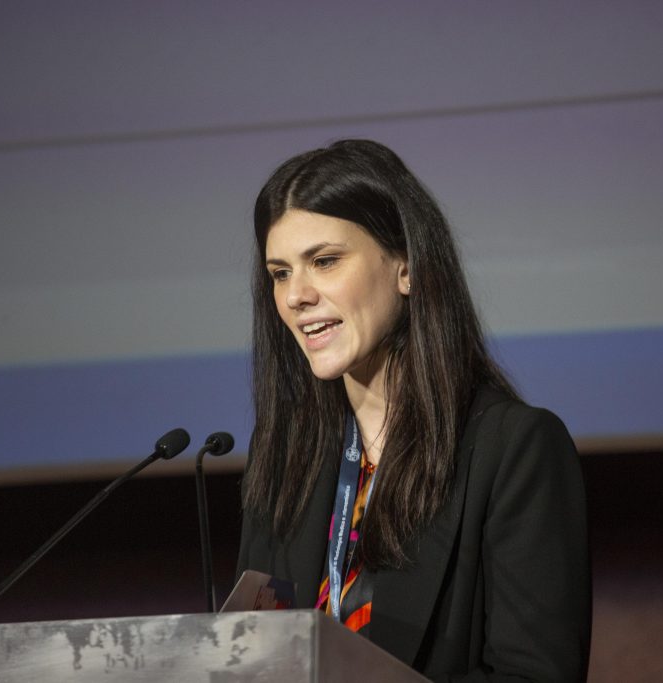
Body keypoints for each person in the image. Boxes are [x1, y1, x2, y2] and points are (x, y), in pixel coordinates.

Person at [237, 139, 590, 681]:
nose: (295, 296)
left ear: (406, 267)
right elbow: (255, 655)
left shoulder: (513, 449)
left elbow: (535, 674)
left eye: (324, 262)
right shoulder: (286, 454)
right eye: (280, 272)